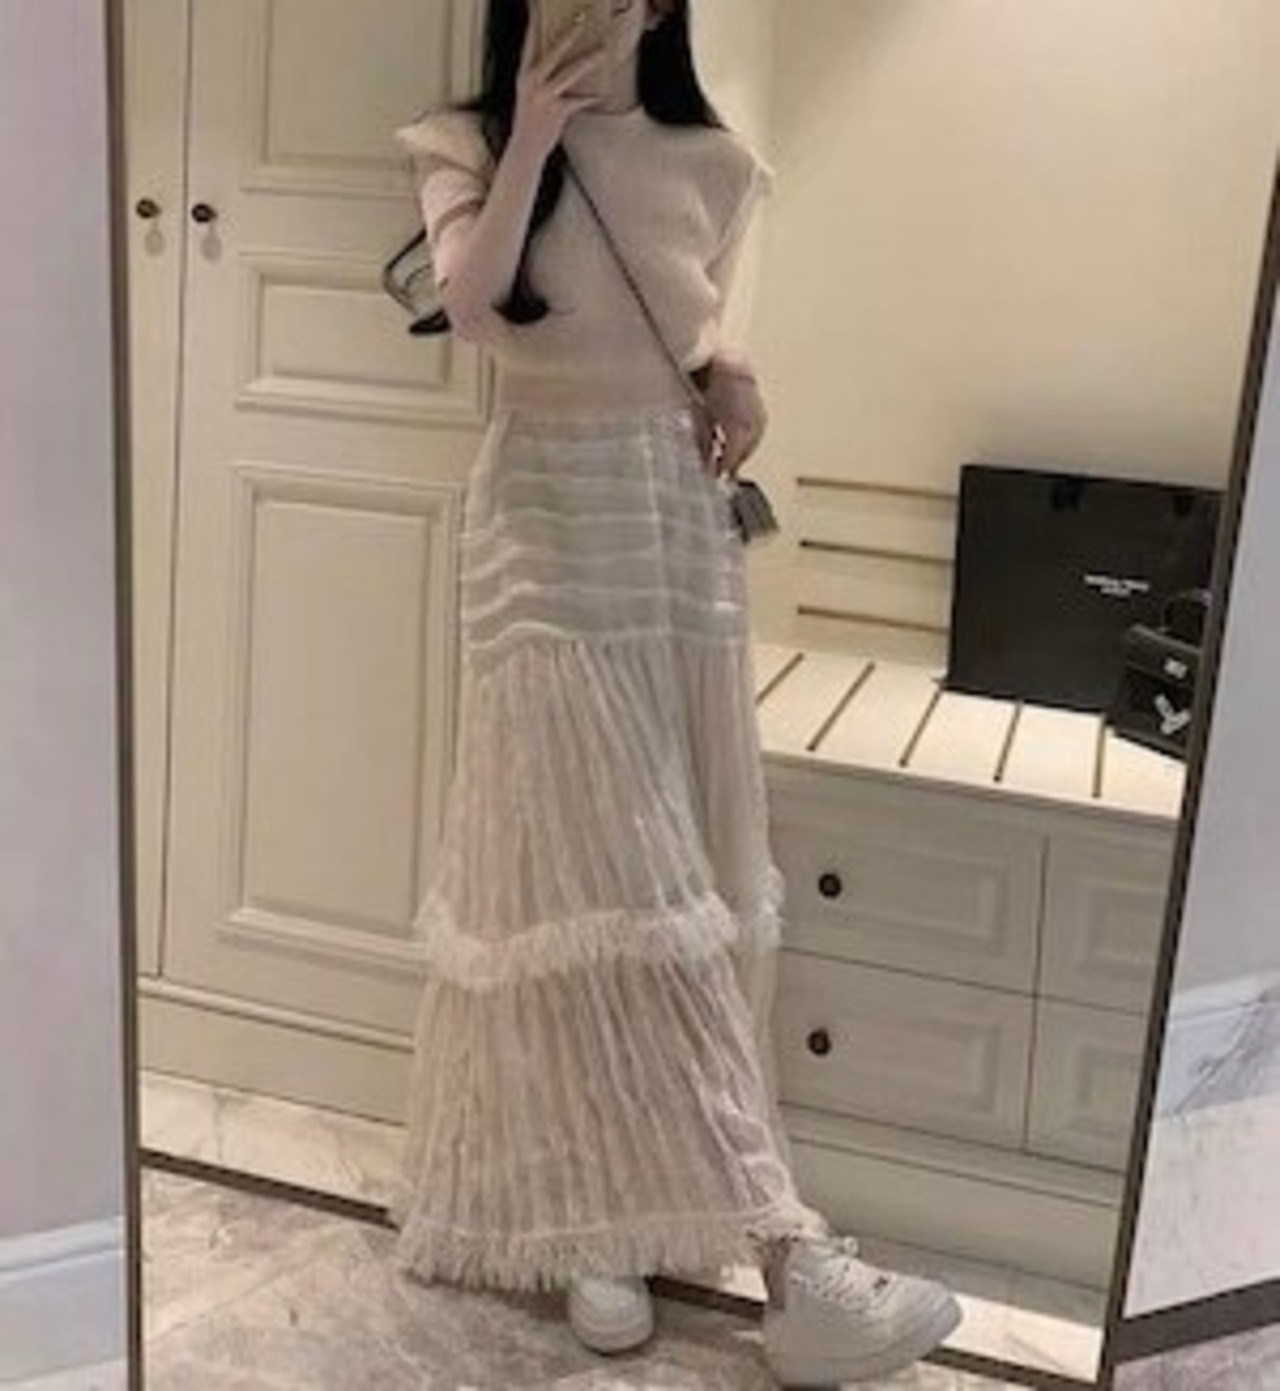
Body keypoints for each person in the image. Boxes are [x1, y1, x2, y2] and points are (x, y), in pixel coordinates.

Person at [386, 1, 962, 1383]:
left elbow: (679, 333)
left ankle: (621, 1220)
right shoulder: (465, 142)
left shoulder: (718, 163)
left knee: (675, 874)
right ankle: (784, 1257)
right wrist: (533, 133)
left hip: (670, 530)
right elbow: (474, 306)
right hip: (540, 535)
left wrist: (729, 371)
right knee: (600, 873)